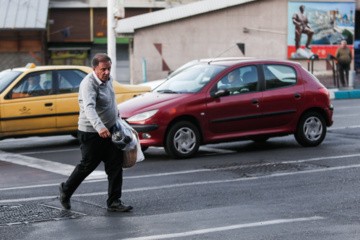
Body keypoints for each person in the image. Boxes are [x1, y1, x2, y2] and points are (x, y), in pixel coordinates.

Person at [59, 53, 132, 212]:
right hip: (92, 132)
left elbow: (111, 100)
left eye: (109, 69)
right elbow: (89, 108)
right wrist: (100, 127)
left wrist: (117, 117)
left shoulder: (108, 79)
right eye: (103, 69)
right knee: (88, 165)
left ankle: (114, 202)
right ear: (94, 69)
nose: (107, 72)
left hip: (110, 129)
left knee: (115, 164)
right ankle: (66, 190)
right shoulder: (88, 84)